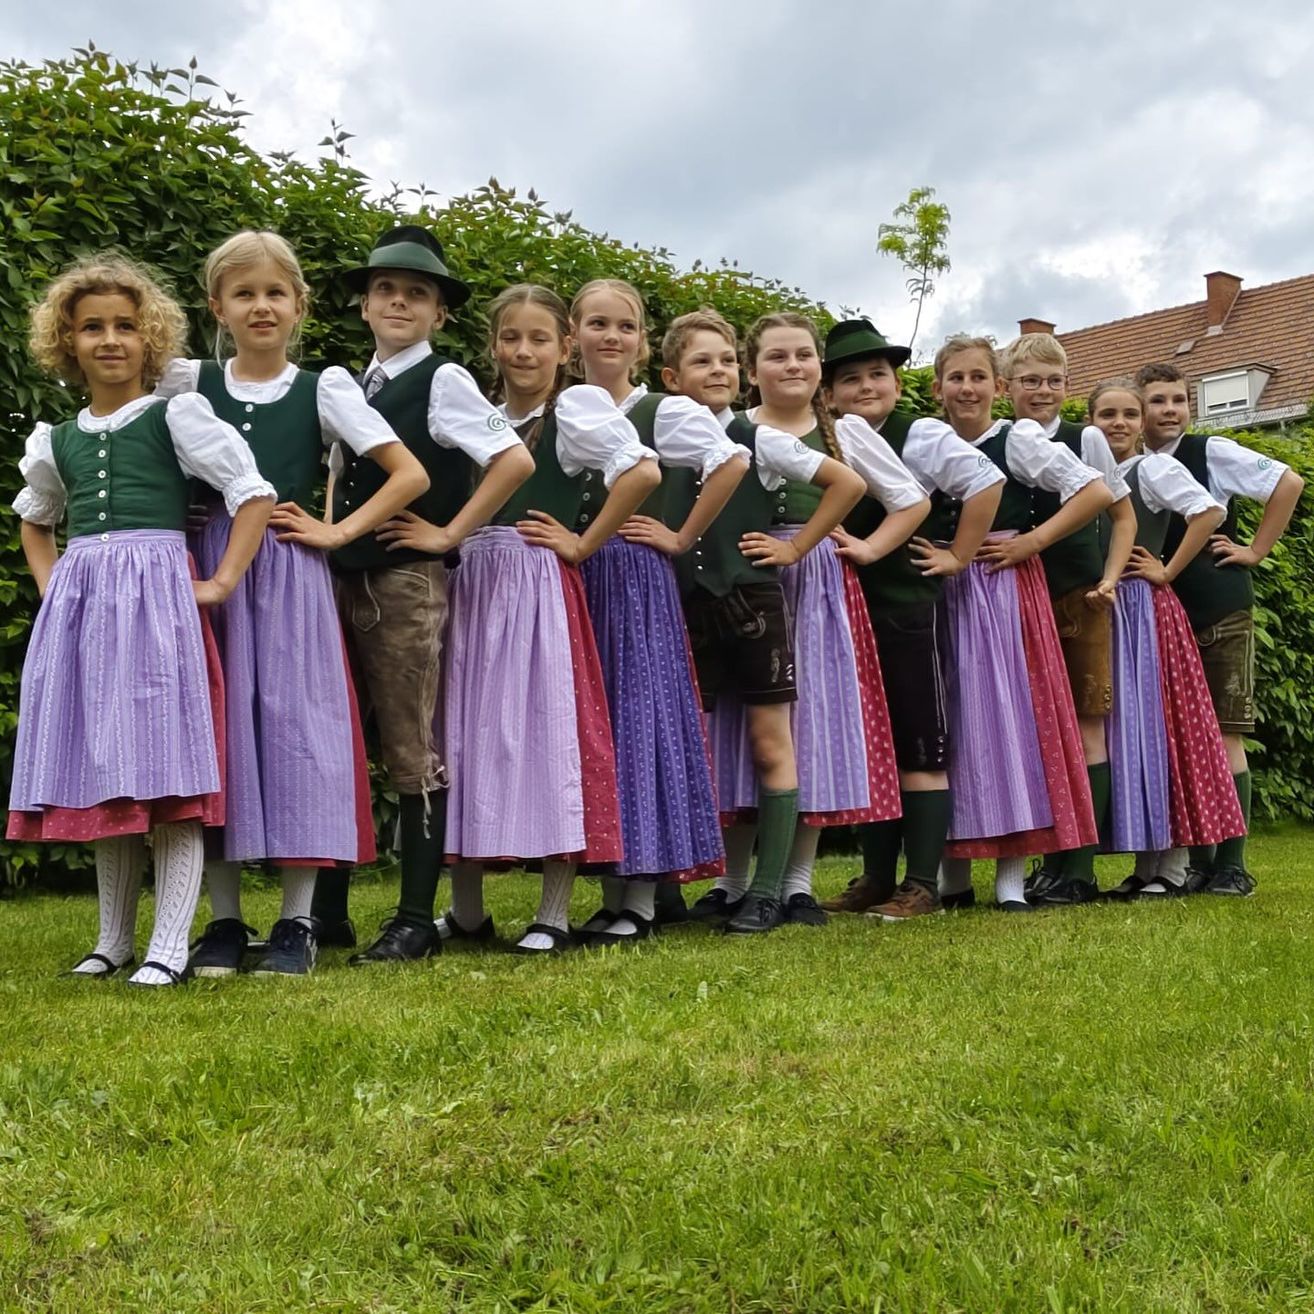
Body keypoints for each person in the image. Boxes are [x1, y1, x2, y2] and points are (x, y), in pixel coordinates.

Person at [157, 229, 430, 977]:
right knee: (212, 729)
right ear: (218, 305)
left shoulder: (324, 388)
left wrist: (337, 530)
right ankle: (221, 920)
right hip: (209, 565)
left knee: (296, 728)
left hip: (287, 574)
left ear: (299, 305)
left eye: (276, 293)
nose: (261, 307)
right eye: (244, 294)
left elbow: (406, 475)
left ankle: (297, 921)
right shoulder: (187, 382)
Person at [8, 253, 274, 986]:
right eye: (92, 327)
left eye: (126, 326)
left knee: (164, 766)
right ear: (68, 342)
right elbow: (37, 522)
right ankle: (112, 941)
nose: (110, 340)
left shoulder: (175, 414)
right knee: (104, 771)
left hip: (158, 604)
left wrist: (220, 581)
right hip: (86, 610)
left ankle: (169, 946)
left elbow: (250, 494)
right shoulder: (55, 439)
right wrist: (54, 586)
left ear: (148, 337)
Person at [306, 226, 534, 964]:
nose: (398, 302)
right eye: (385, 291)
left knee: (410, 743)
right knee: (339, 739)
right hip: (340, 574)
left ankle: (412, 917)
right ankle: (329, 913)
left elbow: (512, 458)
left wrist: (450, 534)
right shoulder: (348, 383)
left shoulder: (443, 381)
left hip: (405, 578)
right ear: (364, 306)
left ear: (438, 314)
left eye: (417, 294)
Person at [439, 283, 658, 953]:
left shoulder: (577, 410)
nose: (524, 351)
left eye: (539, 338)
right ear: (494, 345)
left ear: (566, 347)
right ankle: (469, 910)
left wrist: (584, 543)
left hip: (536, 585)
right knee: (466, 738)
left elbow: (641, 471)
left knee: (549, 733)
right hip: (474, 582)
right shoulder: (475, 413)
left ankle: (553, 912)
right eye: (511, 338)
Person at [635, 309, 867, 933]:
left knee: (771, 744)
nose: (718, 371)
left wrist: (794, 548)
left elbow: (845, 484)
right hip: (682, 609)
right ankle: (663, 889)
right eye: (701, 362)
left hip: (752, 609)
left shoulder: (757, 438)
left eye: (726, 361)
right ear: (670, 376)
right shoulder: (651, 438)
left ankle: (767, 891)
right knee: (685, 745)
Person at [701, 312, 925, 932]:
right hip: (744, 582)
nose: (793, 365)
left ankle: (796, 883)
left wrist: (866, 549)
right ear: (753, 370)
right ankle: (732, 880)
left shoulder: (845, 431)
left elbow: (910, 499)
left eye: (803, 354)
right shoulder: (732, 428)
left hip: (816, 585)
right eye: (777, 356)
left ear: (818, 368)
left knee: (810, 724)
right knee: (743, 726)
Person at [564, 279, 745, 943]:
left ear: (641, 343)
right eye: (598, 324)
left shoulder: (661, 412)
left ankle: (639, 900)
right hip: (579, 579)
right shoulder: (567, 407)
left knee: (639, 720)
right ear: (574, 335)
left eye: (625, 327)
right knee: (600, 727)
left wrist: (680, 536)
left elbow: (730, 459)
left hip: (637, 577)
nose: (612, 337)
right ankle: (616, 893)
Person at [819, 318, 1004, 920]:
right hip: (847, 607)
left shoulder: (918, 433)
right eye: (851, 379)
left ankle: (922, 882)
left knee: (919, 744)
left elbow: (985, 480)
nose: (867, 387)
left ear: (898, 384)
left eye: (878, 375)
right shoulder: (825, 437)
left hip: (904, 605)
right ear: (831, 393)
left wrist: (958, 556)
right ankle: (876, 876)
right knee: (872, 742)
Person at [931, 336, 1111, 909]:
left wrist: (1031, 541)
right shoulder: (924, 440)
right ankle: (952, 877)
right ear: (937, 388)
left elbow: (1095, 490)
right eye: (956, 377)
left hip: (1004, 585)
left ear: (998, 388)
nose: (968, 388)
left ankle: (1010, 878)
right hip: (941, 588)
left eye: (979, 377)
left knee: (1010, 722)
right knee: (950, 724)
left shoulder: (1020, 439)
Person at [1136, 362, 1304, 894]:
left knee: (1226, 735)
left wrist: (1255, 550)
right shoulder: (1132, 465)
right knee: (1182, 739)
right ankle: (1198, 862)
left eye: (1178, 401)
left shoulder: (1210, 452)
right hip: (1163, 617)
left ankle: (1232, 865)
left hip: (1217, 609)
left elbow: (1289, 481)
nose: (1169, 410)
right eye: (1157, 401)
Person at [1083, 379, 1244, 895]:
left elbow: (1208, 511)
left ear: (1141, 422)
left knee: (1159, 726)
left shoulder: (1152, 467)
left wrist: (1168, 569)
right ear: (1090, 420)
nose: (1119, 423)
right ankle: (1147, 866)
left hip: (1144, 610)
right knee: (1126, 734)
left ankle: (1172, 866)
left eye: (1130, 414)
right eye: (1107, 414)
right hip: (1108, 611)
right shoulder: (1090, 473)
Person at [999, 332, 1135, 906]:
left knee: (1087, 724)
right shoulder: (995, 438)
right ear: (1008, 386)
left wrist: (1109, 578)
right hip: (1015, 594)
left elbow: (1122, 516)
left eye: (1054, 380)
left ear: (1067, 387)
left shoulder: (1087, 438)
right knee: (1032, 727)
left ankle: (1077, 866)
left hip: (1080, 592)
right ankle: (1045, 859)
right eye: (1030, 380)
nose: (1043, 390)